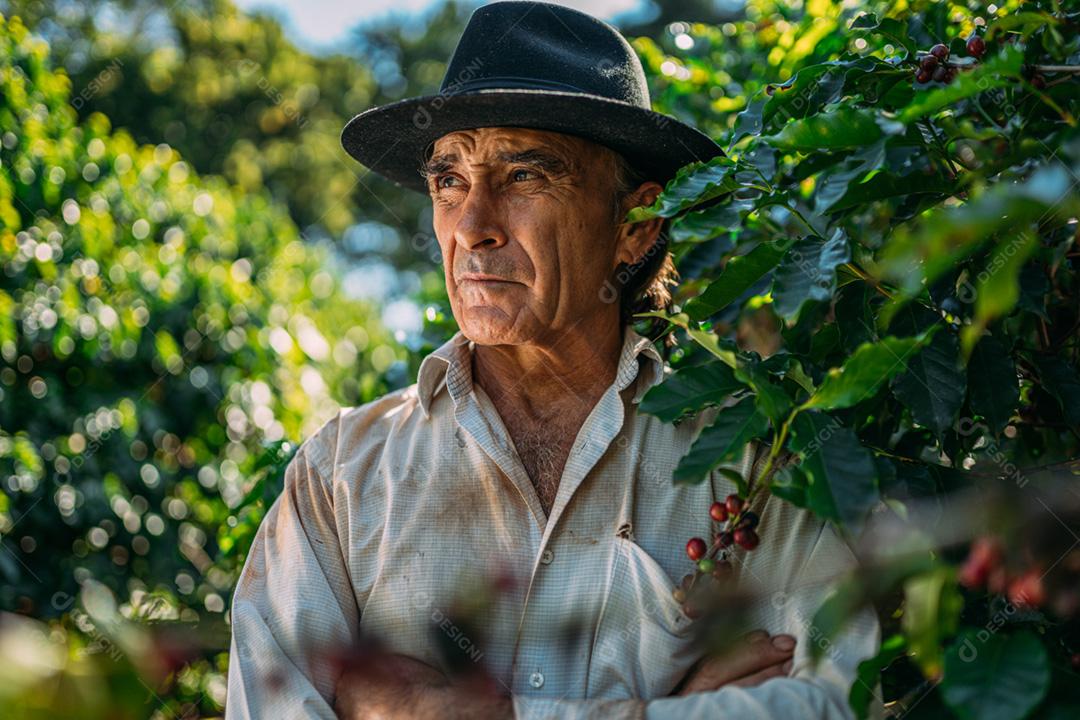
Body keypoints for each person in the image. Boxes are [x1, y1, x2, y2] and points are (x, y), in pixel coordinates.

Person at [225, 2, 881, 718]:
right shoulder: (343, 477)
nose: (472, 228)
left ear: (636, 226)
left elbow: (835, 700)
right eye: (450, 181)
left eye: (524, 177)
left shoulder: (758, 457)